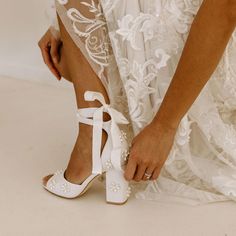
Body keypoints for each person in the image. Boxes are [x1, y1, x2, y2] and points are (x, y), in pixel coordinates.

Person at [38, 0, 236, 205]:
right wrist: (61, 22)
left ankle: (101, 144)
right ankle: (95, 135)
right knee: (64, 50)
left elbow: (226, 8)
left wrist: (164, 126)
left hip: (210, 40)